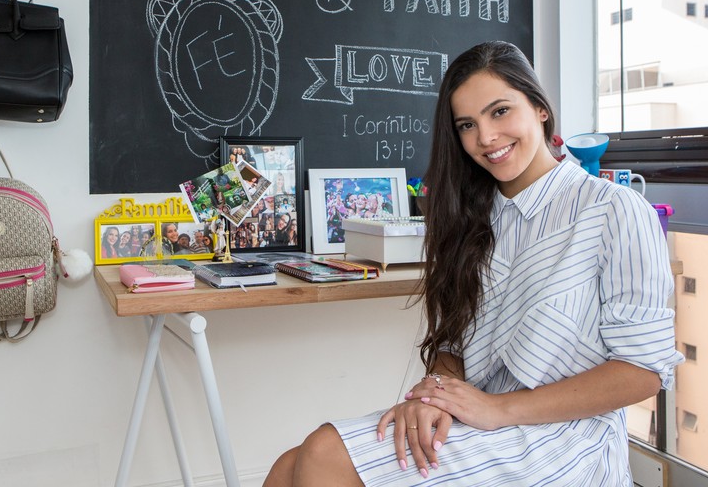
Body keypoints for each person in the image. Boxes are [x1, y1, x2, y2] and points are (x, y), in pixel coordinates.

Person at [264, 41, 683, 486]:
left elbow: (643, 373)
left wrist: (499, 409)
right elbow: (454, 348)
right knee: (291, 465)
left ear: (540, 108)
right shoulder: (469, 217)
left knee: (325, 454)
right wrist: (433, 399)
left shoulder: (613, 209)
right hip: (481, 418)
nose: (485, 137)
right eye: (467, 124)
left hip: (567, 439)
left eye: (500, 111)